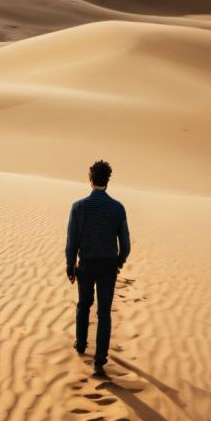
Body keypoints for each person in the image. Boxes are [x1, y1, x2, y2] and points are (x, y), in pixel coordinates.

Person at [66, 159, 130, 378]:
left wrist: (69, 265)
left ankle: (81, 345)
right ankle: (99, 361)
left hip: (87, 265)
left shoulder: (78, 207)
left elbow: (72, 241)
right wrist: (119, 261)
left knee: (84, 304)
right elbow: (126, 244)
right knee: (104, 312)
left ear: (90, 179)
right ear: (107, 181)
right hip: (108, 266)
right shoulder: (118, 208)